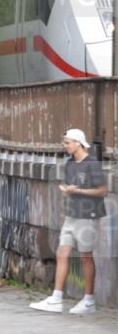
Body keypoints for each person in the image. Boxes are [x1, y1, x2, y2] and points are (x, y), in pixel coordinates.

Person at [30, 128, 108, 315]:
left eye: (67, 142)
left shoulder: (92, 164)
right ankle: (56, 298)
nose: (64, 145)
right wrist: (67, 190)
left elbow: (103, 191)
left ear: (78, 143)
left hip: (88, 216)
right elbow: (72, 187)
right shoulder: (70, 163)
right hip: (72, 215)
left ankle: (89, 301)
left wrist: (78, 191)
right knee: (62, 253)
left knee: (85, 257)